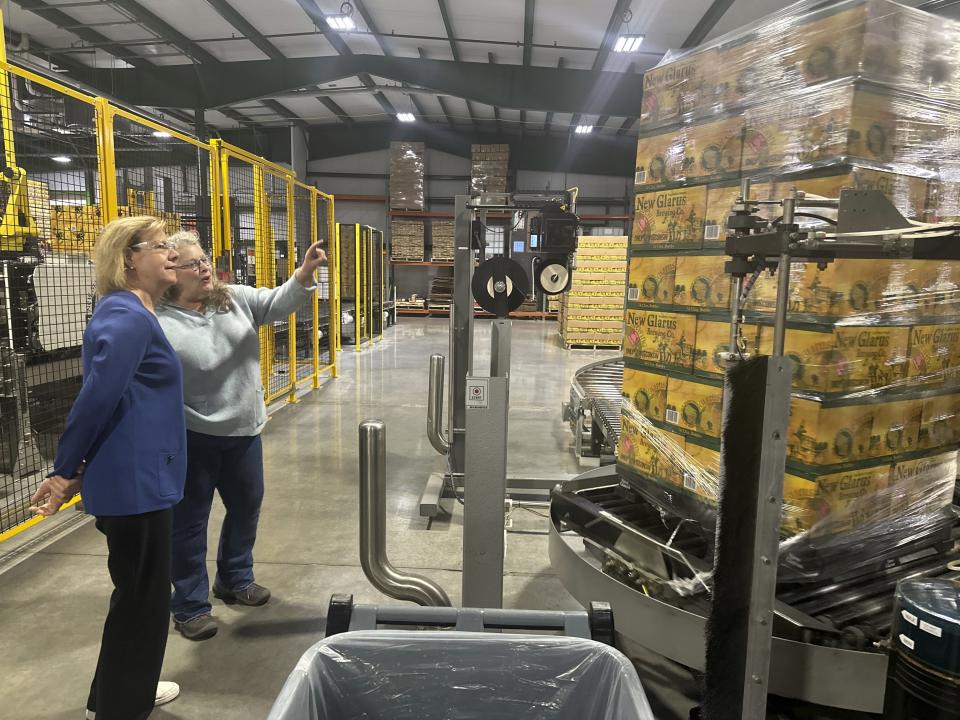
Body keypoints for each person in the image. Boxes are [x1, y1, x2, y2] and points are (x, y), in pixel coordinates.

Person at [30, 216, 186, 720]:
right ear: (127, 259)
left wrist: (74, 467)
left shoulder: (135, 311)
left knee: (137, 593)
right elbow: (96, 400)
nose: (172, 253)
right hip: (135, 485)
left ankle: (116, 692)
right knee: (143, 600)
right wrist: (64, 468)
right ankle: (123, 705)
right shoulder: (127, 317)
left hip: (138, 478)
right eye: (159, 246)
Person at [158, 231, 326, 640]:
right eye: (192, 264)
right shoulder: (157, 319)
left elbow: (275, 302)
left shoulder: (233, 299)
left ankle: (234, 579)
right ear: (170, 274)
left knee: (246, 506)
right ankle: (190, 605)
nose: (203, 268)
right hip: (192, 435)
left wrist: (303, 273)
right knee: (190, 523)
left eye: (204, 260)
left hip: (243, 430)